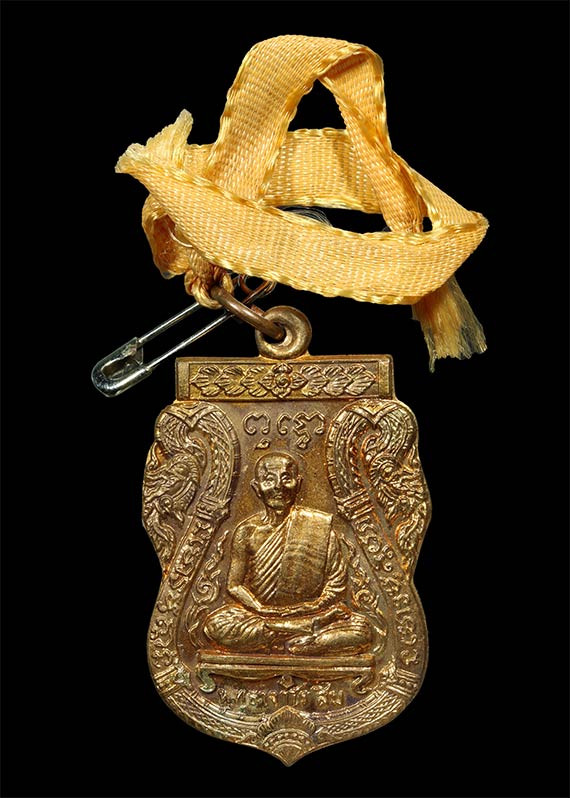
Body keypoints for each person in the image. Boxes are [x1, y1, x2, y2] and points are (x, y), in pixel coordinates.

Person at [204, 452, 376, 655]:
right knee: (215, 625)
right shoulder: (246, 531)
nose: (278, 486)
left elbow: (336, 585)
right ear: (257, 488)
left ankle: (287, 636)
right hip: (261, 615)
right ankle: (306, 636)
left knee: (363, 628)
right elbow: (234, 585)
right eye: (269, 480)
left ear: (298, 484)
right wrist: (260, 608)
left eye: (286, 478)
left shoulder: (319, 527)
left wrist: (307, 609)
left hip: (312, 611)